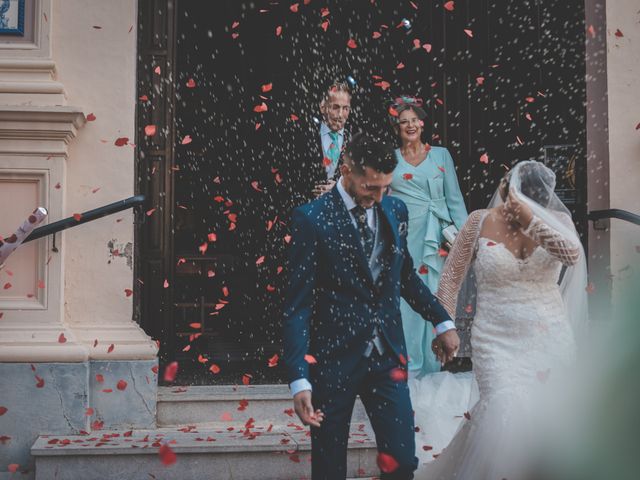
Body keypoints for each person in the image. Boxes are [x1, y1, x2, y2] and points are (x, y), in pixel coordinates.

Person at [282, 133, 460, 480]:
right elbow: (297, 306)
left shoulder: (395, 209)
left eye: (384, 188)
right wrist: (299, 380)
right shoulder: (311, 219)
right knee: (329, 466)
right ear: (346, 171)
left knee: (402, 463)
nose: (377, 198)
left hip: (387, 358)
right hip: (333, 361)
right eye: (369, 188)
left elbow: (405, 276)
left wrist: (442, 321)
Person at [414, 160, 587, 479]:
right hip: (495, 340)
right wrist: (445, 325)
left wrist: (530, 220)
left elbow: (571, 254)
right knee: (502, 412)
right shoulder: (479, 222)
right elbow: (451, 278)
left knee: (546, 417)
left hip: (548, 336)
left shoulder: (558, 221)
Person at [388, 96, 467, 377]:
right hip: (404, 238)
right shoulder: (391, 159)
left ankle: (434, 370)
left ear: (422, 124)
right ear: (397, 128)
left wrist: (464, 238)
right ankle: (408, 368)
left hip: (436, 240)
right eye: (403, 122)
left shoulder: (441, 155)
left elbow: (454, 199)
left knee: (434, 298)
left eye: (414, 121)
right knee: (405, 304)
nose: (410, 126)